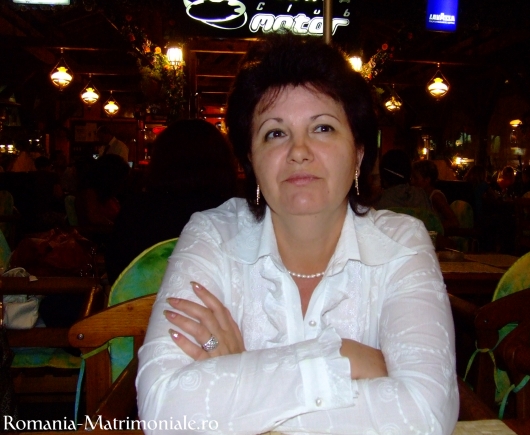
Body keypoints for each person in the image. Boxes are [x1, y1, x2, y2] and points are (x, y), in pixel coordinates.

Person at [137, 35, 458, 434]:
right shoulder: (212, 235)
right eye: (275, 133)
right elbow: (164, 413)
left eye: (322, 128)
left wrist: (238, 376)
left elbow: (426, 416)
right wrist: (342, 358)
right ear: (251, 159)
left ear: (358, 152)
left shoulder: (402, 242)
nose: (299, 151)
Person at [104, 119, 238, 285]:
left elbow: (117, 274)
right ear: (223, 161)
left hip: (137, 300)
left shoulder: (137, 210)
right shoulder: (232, 215)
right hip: (214, 300)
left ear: (160, 160)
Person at [411, 159, 459, 232]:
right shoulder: (421, 195)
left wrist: (432, 228)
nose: (412, 181)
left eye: (415, 178)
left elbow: (454, 222)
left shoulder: (436, 196)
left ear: (427, 180)